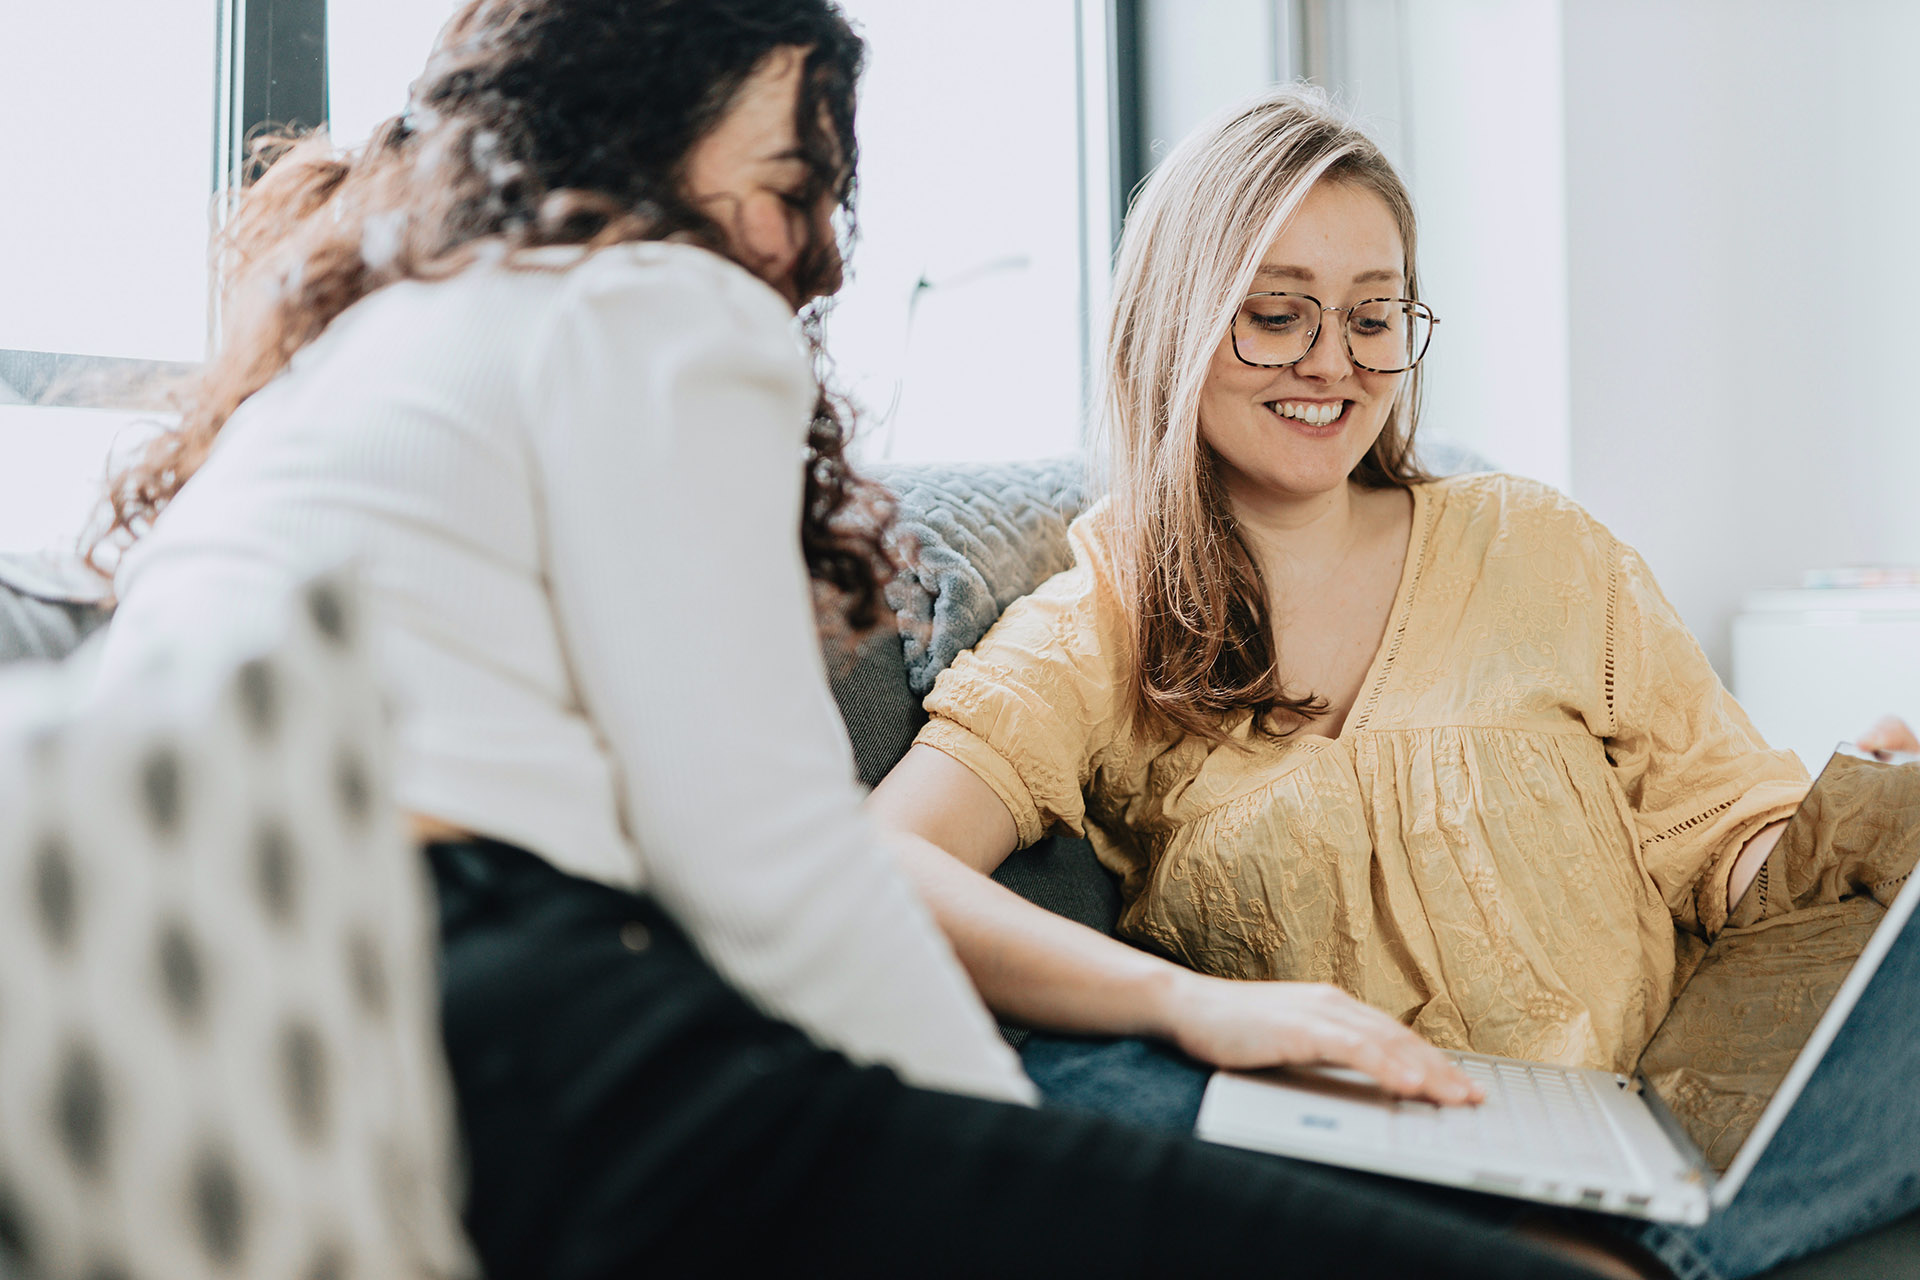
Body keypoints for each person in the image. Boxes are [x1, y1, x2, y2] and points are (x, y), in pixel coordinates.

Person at [83, 4, 1599, 1277]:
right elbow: (767, 862)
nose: (802, 241)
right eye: (785, 173)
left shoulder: (374, 339)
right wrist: (995, 1151)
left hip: (209, 1020)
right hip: (495, 1012)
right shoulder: (658, 300)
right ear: (635, 123)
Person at [867, 86, 1920, 1278]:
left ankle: (1630, 1243)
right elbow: (885, 863)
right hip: (1377, 1155)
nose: (1333, 364)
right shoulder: (1102, 622)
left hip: (1667, 1099)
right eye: (1276, 314)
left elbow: (1726, 841)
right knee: (1067, 1094)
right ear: (1178, 323)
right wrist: (1191, 1006)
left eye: (1374, 316)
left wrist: (1859, 821)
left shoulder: (1540, 546)